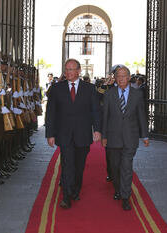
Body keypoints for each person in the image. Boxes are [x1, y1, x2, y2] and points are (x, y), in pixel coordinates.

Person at [46, 58, 101, 209]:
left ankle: (76, 189)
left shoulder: (89, 88)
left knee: (79, 165)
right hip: (64, 134)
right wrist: (50, 134)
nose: (68, 72)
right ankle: (67, 196)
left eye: (71, 69)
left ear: (78, 71)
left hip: (82, 134)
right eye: (66, 69)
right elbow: (50, 112)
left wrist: (97, 129)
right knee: (67, 164)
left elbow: (95, 110)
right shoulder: (57, 88)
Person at [101, 65, 149, 211]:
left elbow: (141, 115)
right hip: (113, 137)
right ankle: (118, 189)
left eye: (123, 76)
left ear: (129, 78)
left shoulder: (137, 94)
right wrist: (104, 136)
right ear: (115, 78)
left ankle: (125, 197)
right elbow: (105, 117)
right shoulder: (109, 94)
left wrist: (145, 135)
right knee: (115, 168)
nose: (121, 78)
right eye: (118, 76)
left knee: (126, 167)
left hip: (130, 137)